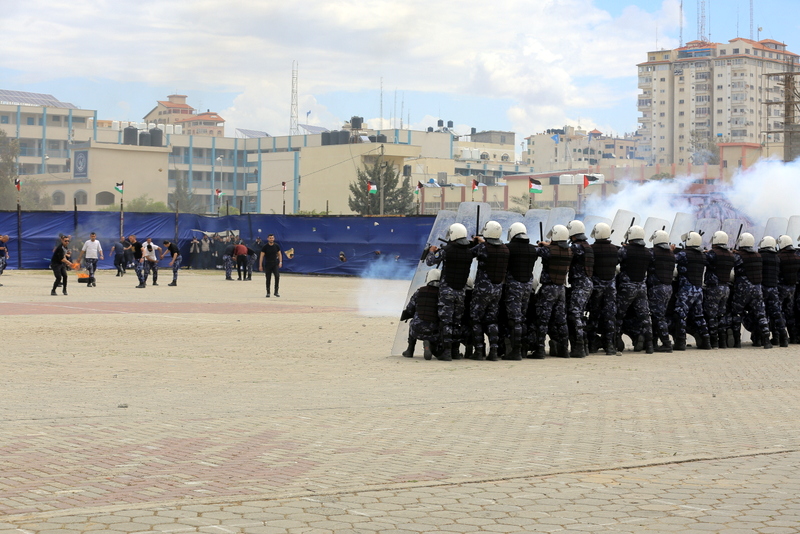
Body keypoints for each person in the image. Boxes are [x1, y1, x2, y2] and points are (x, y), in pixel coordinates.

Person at [425, 223, 474, 361]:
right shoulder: (470, 251)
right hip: (461, 291)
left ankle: (446, 352)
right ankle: (455, 351)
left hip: (447, 290)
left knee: (446, 322)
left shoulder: (447, 250)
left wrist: (431, 251)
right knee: (456, 322)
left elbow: (430, 262)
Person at [468, 221, 509, 361]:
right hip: (497, 289)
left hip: (482, 290)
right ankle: (493, 351)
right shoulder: (505, 249)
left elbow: (469, 253)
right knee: (492, 321)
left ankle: (479, 351)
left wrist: (477, 242)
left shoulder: (483, 247)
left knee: (476, 319)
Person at [533, 225, 573, 359]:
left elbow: (536, 251)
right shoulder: (569, 251)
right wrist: (548, 244)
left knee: (542, 320)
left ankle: (539, 350)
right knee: (561, 321)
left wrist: (542, 245)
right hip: (561, 288)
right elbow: (557, 248)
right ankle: (564, 350)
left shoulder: (548, 251)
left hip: (548, 288)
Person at [729, 232, 772, 349]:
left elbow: (731, 262)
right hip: (757, 289)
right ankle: (766, 340)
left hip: (742, 290)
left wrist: (732, 252)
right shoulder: (758, 256)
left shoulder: (738, 256)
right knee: (761, 315)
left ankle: (737, 342)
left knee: (736, 314)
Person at [615, 225, 653, 354]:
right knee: (645, 317)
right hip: (641, 287)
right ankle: (649, 345)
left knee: (619, 315)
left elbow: (614, 261)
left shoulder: (625, 251)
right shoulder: (648, 252)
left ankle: (616, 343)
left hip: (627, 287)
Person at [503, 222, 538, 360]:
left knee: (514, 320)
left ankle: (516, 351)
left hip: (513, 287)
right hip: (527, 287)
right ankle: (523, 349)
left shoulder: (508, 248)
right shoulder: (533, 249)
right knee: (522, 318)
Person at [673, 231, 710, 350]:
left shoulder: (684, 254)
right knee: (699, 316)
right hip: (698, 289)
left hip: (686, 289)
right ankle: (706, 341)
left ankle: (680, 343)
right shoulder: (702, 256)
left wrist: (671, 249)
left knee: (681, 315)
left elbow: (672, 258)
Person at [587, 223, 619, 355]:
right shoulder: (615, 249)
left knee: (594, 316)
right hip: (610, 289)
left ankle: (592, 345)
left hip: (596, 288)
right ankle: (610, 346)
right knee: (609, 317)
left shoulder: (591, 249)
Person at [400, 269, 444, 360]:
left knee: (413, 322)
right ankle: (431, 345)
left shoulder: (420, 291)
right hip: (434, 331)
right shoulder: (443, 294)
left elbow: (410, 309)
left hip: (417, 330)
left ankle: (410, 350)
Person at [703, 231, 735, 349]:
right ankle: (723, 341)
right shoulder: (731, 255)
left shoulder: (713, 254)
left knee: (711, 315)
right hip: (726, 288)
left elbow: (703, 259)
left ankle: (713, 342)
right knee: (722, 314)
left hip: (714, 288)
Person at [566, 220, 593, 358]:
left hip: (581, 284)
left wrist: (547, 244)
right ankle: (585, 346)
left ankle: (579, 347)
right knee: (580, 315)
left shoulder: (578, 247)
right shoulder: (586, 246)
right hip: (586, 283)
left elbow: (564, 249)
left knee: (574, 314)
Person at [648, 230, 676, 352]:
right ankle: (654, 342)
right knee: (657, 315)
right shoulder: (671, 254)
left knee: (658, 316)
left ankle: (666, 343)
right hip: (668, 288)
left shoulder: (653, 252)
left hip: (657, 288)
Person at [757, 236, 787, 347]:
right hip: (774, 288)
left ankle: (764, 340)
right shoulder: (777, 257)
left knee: (762, 314)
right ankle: (783, 338)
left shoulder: (761, 256)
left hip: (763, 288)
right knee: (777, 314)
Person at [776, 235, 800, 343]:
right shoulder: (797, 257)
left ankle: (780, 337)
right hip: (793, 288)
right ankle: (794, 337)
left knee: (778, 312)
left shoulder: (779, 257)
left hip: (781, 287)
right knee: (790, 312)